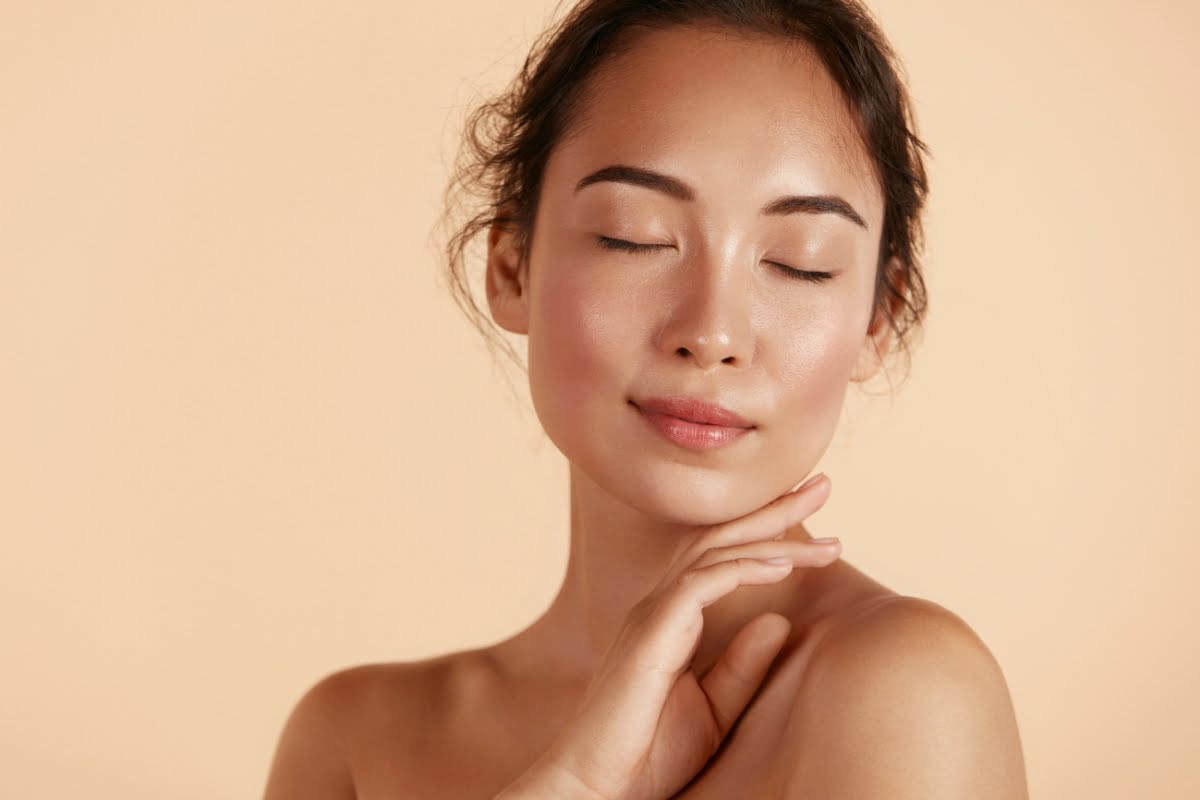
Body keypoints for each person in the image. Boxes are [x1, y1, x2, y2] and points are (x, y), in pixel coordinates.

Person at [263, 1, 1029, 797]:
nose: (712, 332)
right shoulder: (357, 739)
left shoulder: (907, 695)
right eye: (635, 236)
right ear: (512, 265)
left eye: (802, 263)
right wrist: (572, 784)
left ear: (878, 317)